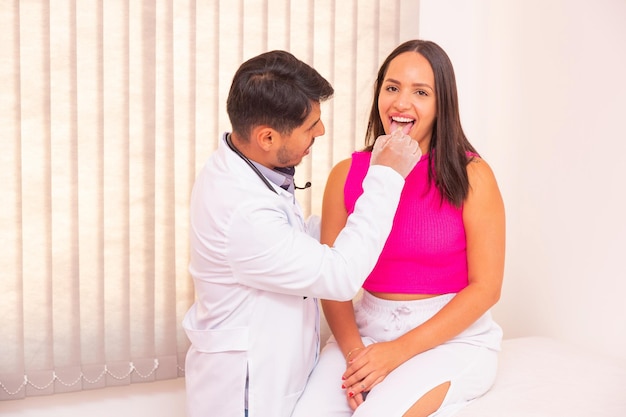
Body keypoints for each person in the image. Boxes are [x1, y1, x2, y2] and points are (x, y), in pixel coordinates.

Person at [182, 50, 420, 417]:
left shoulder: (249, 166)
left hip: (282, 376)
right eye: (310, 126)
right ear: (266, 137)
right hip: (248, 395)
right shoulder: (242, 210)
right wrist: (386, 176)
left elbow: (293, 238)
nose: (320, 131)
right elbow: (339, 277)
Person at [292, 39, 505, 417]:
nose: (401, 103)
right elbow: (332, 282)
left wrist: (396, 354)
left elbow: (486, 288)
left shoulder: (473, 176)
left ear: (443, 105)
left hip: (453, 341)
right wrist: (359, 356)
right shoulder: (345, 175)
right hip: (367, 334)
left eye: (420, 92)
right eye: (392, 88)